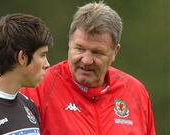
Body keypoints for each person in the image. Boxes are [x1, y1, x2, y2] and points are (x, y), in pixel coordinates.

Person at [21, 2, 156, 135]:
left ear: (115, 51)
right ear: (69, 43)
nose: (86, 60)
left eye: (97, 52)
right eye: (79, 49)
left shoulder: (135, 92)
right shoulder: (37, 88)